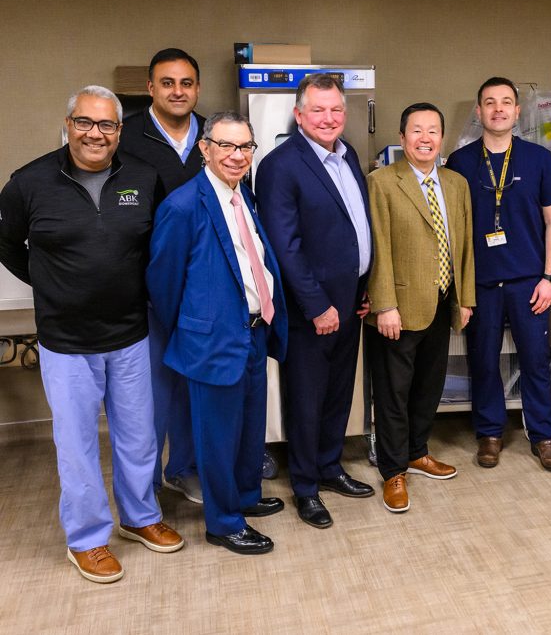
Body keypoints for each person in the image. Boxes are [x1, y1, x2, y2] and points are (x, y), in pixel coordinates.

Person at [0, 86, 183, 583]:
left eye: (106, 125)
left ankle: (140, 517)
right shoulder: (28, 182)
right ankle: (86, 539)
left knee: (139, 437)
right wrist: (51, 283)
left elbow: (158, 245)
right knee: (77, 444)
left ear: (119, 131)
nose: (94, 134)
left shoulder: (143, 178)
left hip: (131, 334)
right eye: (84, 122)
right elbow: (8, 245)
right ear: (68, 124)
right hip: (66, 340)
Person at [147, 111, 288, 553]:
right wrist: (196, 328)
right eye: (226, 145)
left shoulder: (242, 196)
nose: (236, 155)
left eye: (245, 146)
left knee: (249, 427)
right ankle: (224, 522)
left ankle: (245, 496)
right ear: (205, 149)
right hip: (211, 341)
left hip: (253, 331)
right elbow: (164, 284)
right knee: (217, 436)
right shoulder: (183, 206)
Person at [256, 74, 375, 529]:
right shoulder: (280, 166)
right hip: (312, 309)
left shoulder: (349, 156)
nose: (329, 118)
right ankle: (305, 486)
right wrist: (318, 305)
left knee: (339, 392)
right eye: (318, 110)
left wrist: (364, 288)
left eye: (336, 109)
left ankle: (329, 466)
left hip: (351, 300)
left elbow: (355, 228)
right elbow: (285, 247)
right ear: (299, 115)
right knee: (306, 399)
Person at [446, 77, 551, 471]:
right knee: (483, 361)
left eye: (505, 102)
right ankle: (490, 433)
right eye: (489, 102)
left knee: (535, 361)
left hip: (529, 282)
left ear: (517, 111)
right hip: (480, 284)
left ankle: (543, 435)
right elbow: (452, 229)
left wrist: (550, 278)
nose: (498, 109)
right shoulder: (460, 163)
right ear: (478, 111)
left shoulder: (539, 159)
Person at [365, 103, 475, 513]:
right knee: (393, 393)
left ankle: (416, 452)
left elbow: (465, 245)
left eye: (432, 131)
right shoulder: (381, 182)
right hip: (398, 306)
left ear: (442, 139)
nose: (425, 138)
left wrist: (465, 299)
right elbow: (377, 247)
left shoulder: (456, 184)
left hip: (441, 301)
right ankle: (393, 470)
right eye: (416, 130)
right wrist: (384, 305)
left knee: (429, 386)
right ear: (402, 137)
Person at [119, 47, 205, 503]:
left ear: (197, 89)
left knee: (193, 387)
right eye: (167, 83)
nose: (177, 91)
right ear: (150, 88)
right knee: (148, 397)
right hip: (146, 291)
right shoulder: (126, 137)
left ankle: (184, 470)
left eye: (186, 83)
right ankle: (144, 490)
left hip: (203, 290)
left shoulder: (213, 137)